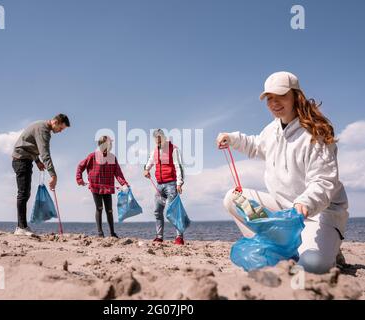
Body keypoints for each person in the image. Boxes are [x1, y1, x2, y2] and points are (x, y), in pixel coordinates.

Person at [217, 71, 348, 274]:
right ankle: (275, 245)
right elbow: (255, 145)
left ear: (296, 96)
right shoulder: (272, 130)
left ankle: (331, 249)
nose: (274, 103)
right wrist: (231, 138)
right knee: (233, 199)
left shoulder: (316, 132)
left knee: (312, 265)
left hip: (319, 214)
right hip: (283, 208)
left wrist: (305, 202)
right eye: (269, 98)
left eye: (281, 96)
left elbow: (323, 180)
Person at [12, 114, 70, 236]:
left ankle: (22, 226)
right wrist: (53, 175)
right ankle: (21, 227)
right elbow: (45, 153)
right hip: (21, 160)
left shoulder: (42, 126)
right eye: (61, 128)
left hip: (24, 159)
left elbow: (30, 145)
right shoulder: (44, 130)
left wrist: (37, 161)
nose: (60, 131)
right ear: (55, 122)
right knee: (23, 193)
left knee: (25, 193)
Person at [76, 136, 129, 238]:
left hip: (107, 188)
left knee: (109, 210)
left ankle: (112, 233)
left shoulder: (112, 158)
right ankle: (100, 233)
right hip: (95, 187)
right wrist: (79, 179)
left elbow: (118, 173)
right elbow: (80, 166)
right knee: (99, 208)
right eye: (109, 143)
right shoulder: (92, 156)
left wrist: (124, 184)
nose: (111, 145)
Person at [144, 129, 186, 245]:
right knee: (157, 211)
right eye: (156, 140)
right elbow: (149, 162)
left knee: (173, 211)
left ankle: (179, 237)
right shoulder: (155, 151)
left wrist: (179, 183)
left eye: (159, 139)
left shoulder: (173, 149)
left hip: (171, 184)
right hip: (159, 185)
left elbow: (179, 166)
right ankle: (159, 236)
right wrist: (146, 170)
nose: (158, 142)